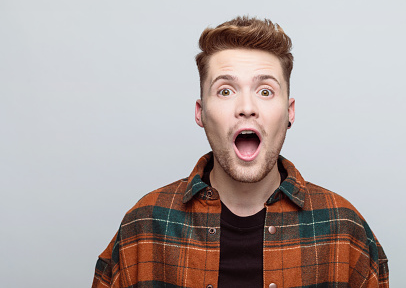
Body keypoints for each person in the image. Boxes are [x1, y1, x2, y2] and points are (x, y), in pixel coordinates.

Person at [92, 16, 389, 288]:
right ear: (201, 113)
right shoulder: (143, 227)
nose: (246, 108)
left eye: (265, 91)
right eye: (225, 91)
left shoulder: (344, 231)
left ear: (289, 112)